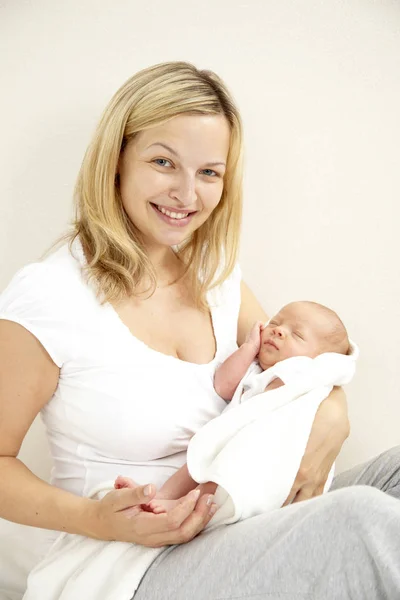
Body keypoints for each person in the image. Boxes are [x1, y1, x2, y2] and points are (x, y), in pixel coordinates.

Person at [0, 61, 399, 599]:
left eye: (209, 172)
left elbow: (303, 367)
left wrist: (334, 413)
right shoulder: (49, 295)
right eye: (164, 162)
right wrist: (101, 518)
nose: (186, 195)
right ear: (116, 159)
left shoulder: (217, 279)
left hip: (233, 519)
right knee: (361, 521)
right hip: (125, 564)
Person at [115, 300, 351, 515]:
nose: (279, 330)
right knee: (195, 461)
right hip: (228, 437)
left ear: (320, 360)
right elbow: (223, 385)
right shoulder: (256, 367)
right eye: (276, 322)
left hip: (257, 449)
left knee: (222, 472)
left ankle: (186, 504)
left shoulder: (301, 373)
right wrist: (249, 348)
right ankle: (161, 496)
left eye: (297, 335)